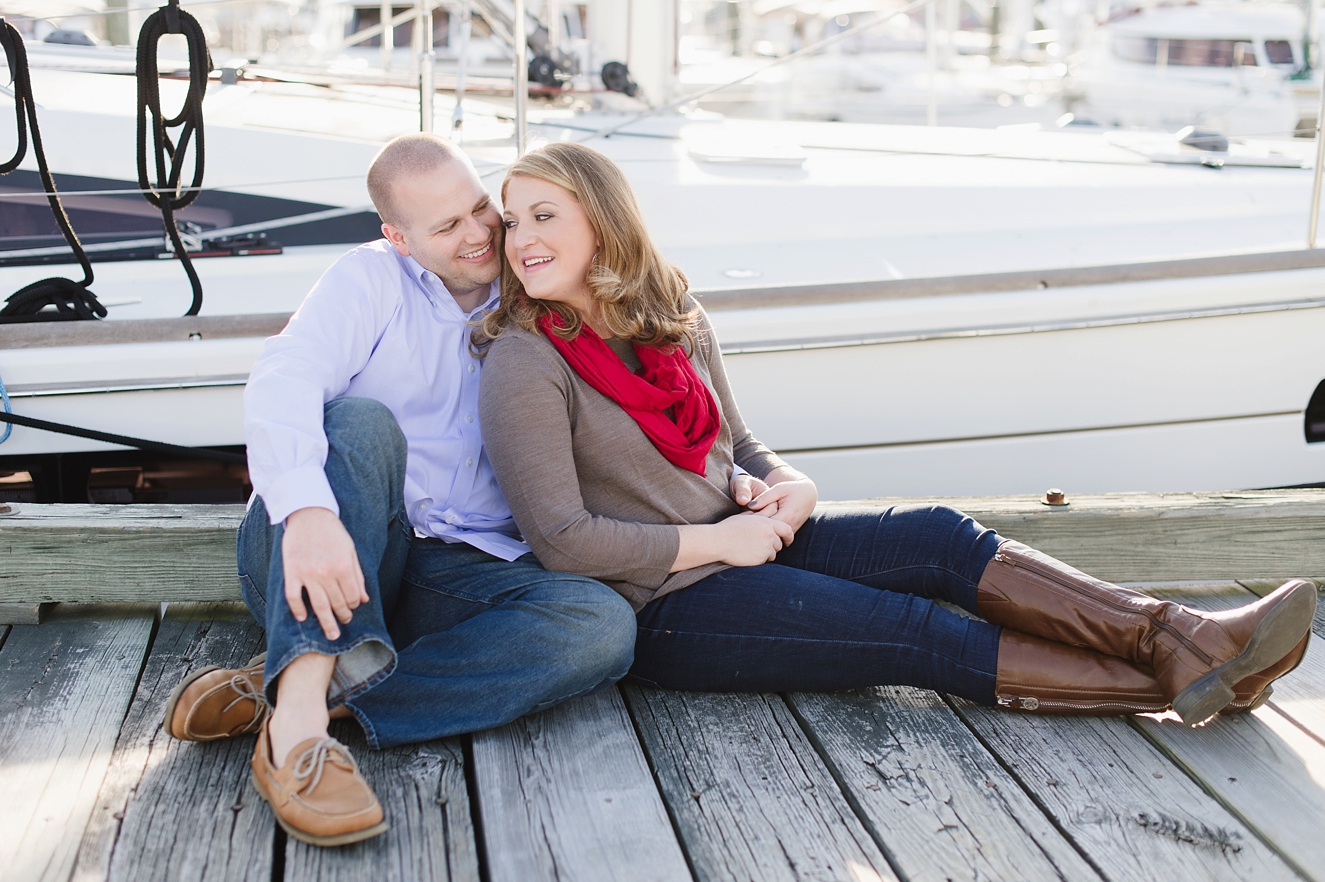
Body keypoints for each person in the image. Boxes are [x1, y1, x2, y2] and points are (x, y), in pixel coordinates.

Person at [475, 141, 1316, 727]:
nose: (522, 240)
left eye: (543, 214)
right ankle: (1175, 680)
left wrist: (789, 486)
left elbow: (742, 445)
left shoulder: (672, 318)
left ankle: (1179, 638)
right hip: (665, 604)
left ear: (603, 221)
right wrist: (721, 546)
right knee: (911, 630)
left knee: (940, 537)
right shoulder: (525, 361)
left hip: (747, 540)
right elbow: (561, 541)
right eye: (513, 222)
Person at [159, 134, 650, 848]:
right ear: (398, 237)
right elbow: (285, 375)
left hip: (452, 566)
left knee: (600, 626)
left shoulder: (533, 284)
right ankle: (294, 732)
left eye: (481, 208)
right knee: (358, 424)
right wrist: (305, 512)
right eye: (447, 227)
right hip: (323, 546)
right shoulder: (368, 280)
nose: (481, 233)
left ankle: (319, 682)